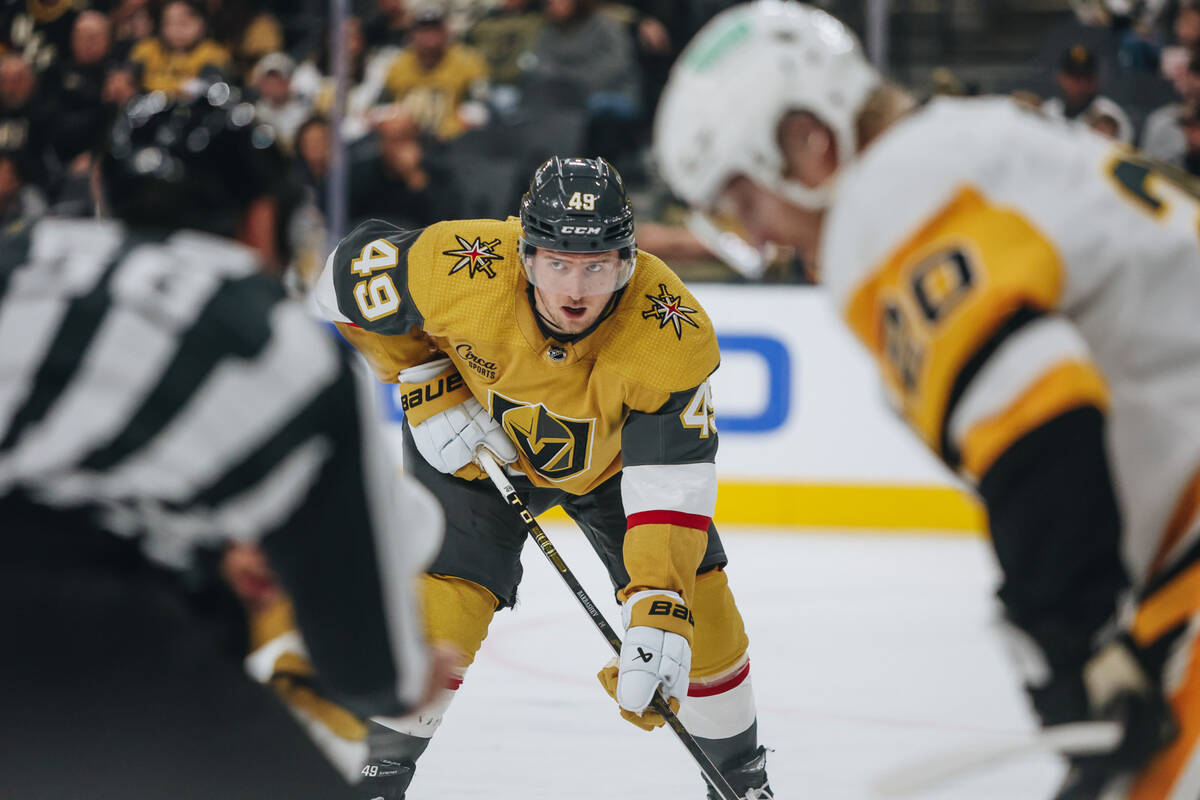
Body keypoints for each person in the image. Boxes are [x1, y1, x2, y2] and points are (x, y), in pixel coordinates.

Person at [653, 2, 1200, 798]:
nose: (759, 236)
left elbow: (1036, 412)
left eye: (744, 198)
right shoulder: (971, 141)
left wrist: (1068, 643)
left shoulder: (889, 197)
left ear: (810, 143)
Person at [0, 85, 451, 798]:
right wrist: (407, 678)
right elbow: (367, 665)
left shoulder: (19, 254)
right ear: (262, 218)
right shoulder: (269, 327)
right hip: (92, 640)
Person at [314, 155, 773, 800]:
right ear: (525, 256)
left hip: (614, 465)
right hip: (478, 445)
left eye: (596, 266)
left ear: (629, 262)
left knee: (700, 610)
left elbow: (669, 485)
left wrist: (658, 607)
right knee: (443, 605)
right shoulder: (461, 264)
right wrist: (422, 375)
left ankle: (741, 781)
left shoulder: (669, 329)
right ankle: (371, 779)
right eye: (558, 263)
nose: (575, 291)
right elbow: (336, 282)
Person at [129, 0, 231, 95]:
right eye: (168, 23)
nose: (175, 29)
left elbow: (210, 87)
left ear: (203, 22)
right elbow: (128, 79)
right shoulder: (148, 49)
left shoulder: (212, 53)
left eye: (183, 23)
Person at [1042, 43, 1134, 143]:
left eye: (1084, 77)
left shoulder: (1113, 116)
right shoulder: (1048, 109)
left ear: (1095, 81)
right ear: (1059, 77)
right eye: (1071, 76)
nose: (1077, 84)